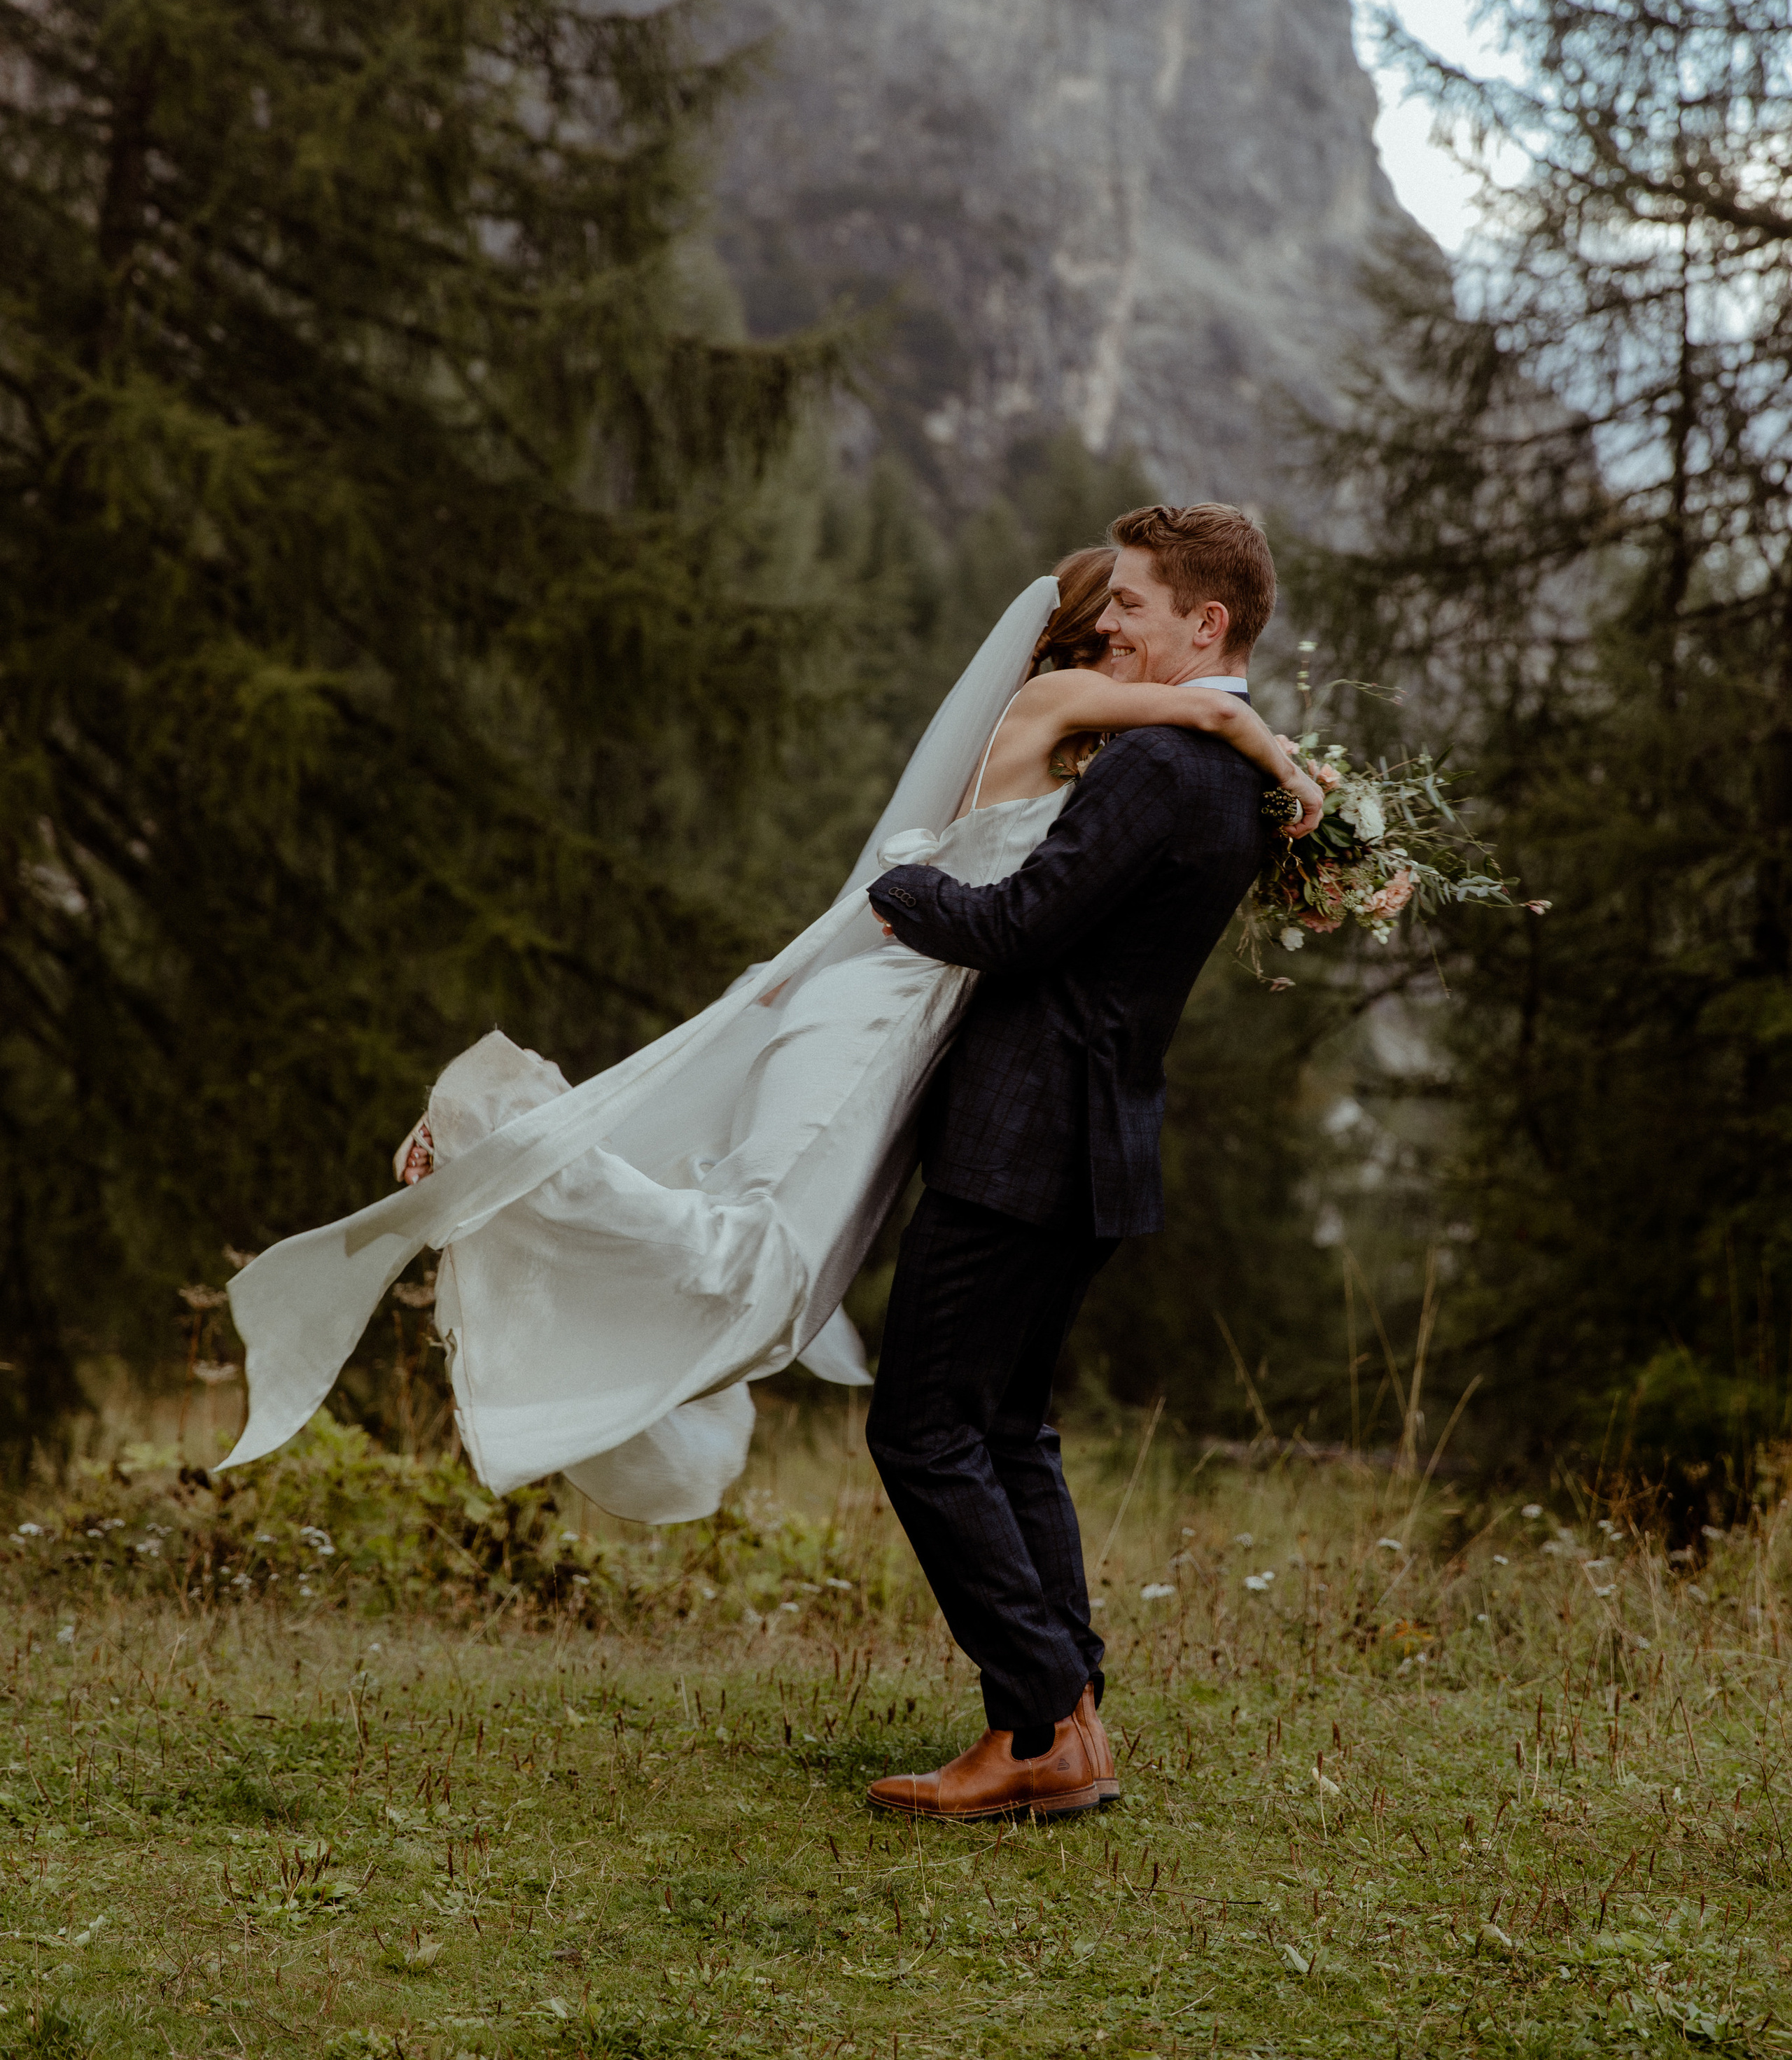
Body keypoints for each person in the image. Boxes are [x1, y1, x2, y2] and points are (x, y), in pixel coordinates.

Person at [220, 525, 1318, 1556]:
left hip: (919, 1024)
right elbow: (1217, 717)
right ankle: (492, 1139)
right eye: (1113, 611)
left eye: (1136, 609)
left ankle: (514, 1162)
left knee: (787, 1287)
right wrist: (1291, 768)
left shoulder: (1099, 744)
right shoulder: (1058, 697)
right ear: (1080, 631)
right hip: (882, 1007)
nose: (1122, 628)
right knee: (757, 1260)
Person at [862, 503, 1280, 1825]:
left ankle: (1040, 1722)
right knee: (1006, 1427)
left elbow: (1021, 927)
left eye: (1135, 605)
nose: (1113, 621)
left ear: (1206, 622)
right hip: (1097, 1135)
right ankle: (1068, 1706)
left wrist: (899, 887)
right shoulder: (1239, 772)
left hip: (1023, 1133)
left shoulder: (1159, 765)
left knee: (923, 1428)